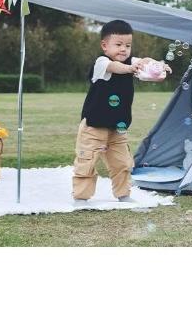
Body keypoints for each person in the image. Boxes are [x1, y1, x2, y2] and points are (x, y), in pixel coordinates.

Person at [72, 19, 171, 204]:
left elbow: (146, 62)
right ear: (105, 45)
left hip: (119, 126)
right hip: (94, 125)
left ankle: (123, 194)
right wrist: (130, 68)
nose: (124, 49)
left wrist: (159, 67)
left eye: (128, 45)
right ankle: (81, 197)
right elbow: (115, 68)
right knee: (87, 161)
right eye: (118, 45)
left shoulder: (132, 62)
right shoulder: (102, 62)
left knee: (123, 162)